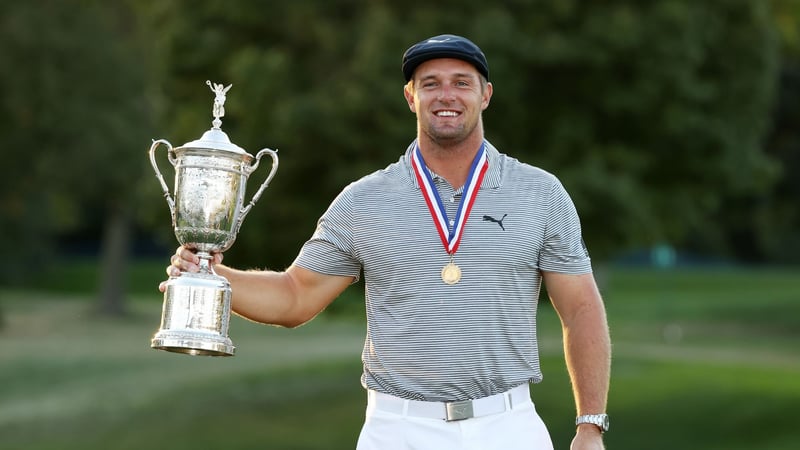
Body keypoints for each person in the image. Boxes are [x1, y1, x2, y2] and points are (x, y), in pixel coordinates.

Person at [162, 34, 611, 450]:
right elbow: (295, 296)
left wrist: (590, 424)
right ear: (410, 97)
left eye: (462, 83)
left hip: (508, 425)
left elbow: (581, 308)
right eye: (430, 83)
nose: (446, 95)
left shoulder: (540, 193)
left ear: (485, 94)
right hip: (398, 430)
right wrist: (211, 275)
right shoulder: (363, 201)